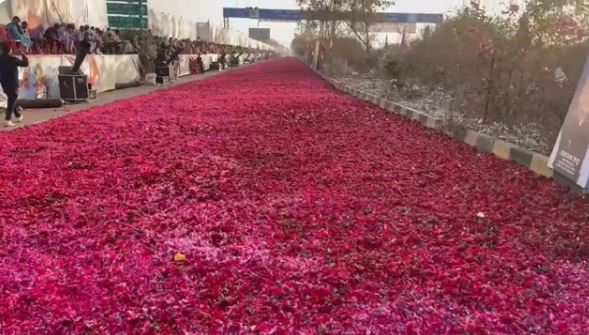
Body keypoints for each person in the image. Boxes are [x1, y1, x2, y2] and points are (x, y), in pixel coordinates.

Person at [0, 42, 29, 127]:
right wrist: (22, 54)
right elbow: (25, 63)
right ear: (9, 50)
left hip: (4, 83)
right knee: (12, 99)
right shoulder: (13, 59)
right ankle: (7, 119)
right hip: (12, 83)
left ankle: (18, 115)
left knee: (12, 99)